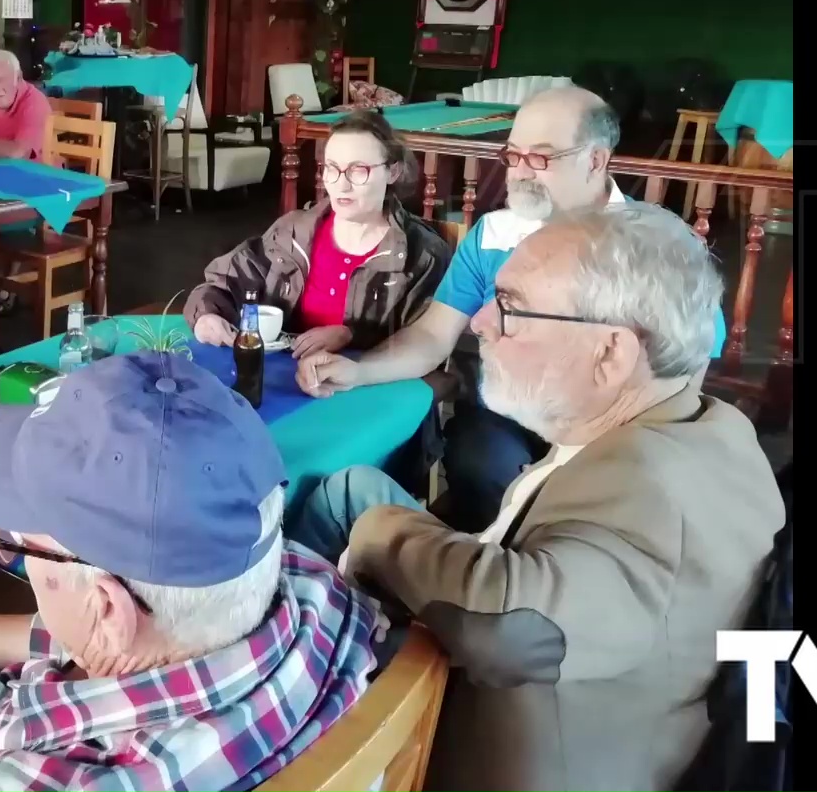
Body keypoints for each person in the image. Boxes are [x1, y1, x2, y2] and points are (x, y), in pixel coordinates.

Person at [292, 203, 783, 792]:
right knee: (351, 489)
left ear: (611, 353)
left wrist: (378, 536)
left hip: (479, 741)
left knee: (356, 523)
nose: (479, 323)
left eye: (511, 306)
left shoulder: (648, 485)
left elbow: (510, 627)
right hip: (608, 698)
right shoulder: (709, 423)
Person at [0, 351, 379, 792]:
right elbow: (122, 638)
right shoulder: (310, 591)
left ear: (107, 607)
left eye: (15, 544)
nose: (8, 554)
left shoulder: (32, 779)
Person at [297, 86, 726, 531]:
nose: (520, 173)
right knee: (480, 464)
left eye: (540, 158)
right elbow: (432, 334)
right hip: (508, 414)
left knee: (591, 498)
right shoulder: (494, 234)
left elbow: (691, 364)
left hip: (611, 427)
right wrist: (359, 370)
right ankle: (493, 566)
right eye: (514, 155)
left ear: (596, 160)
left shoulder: (657, 242)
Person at [186, 110, 449, 358]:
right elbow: (223, 283)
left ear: (393, 171)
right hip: (283, 381)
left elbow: (429, 344)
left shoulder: (423, 255)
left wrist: (351, 336)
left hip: (367, 389)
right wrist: (207, 314)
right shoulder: (293, 232)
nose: (341, 185)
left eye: (359, 170)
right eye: (332, 168)